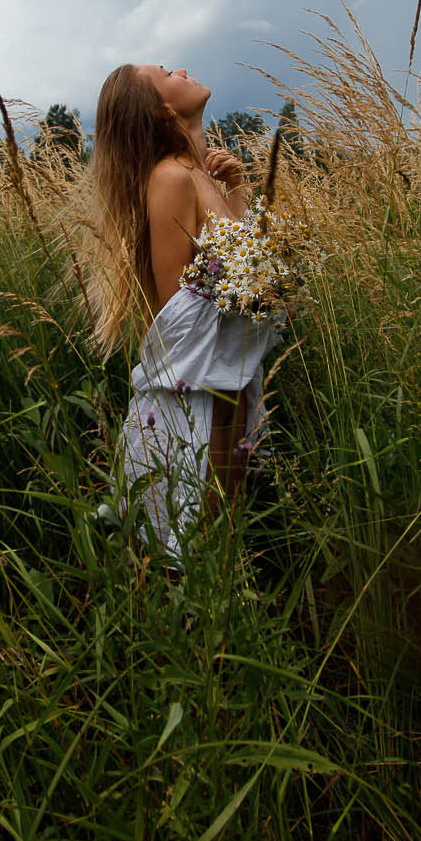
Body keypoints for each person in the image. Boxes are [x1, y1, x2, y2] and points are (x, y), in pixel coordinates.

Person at [91, 63, 281, 562]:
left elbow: (239, 259)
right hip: (196, 392)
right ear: (160, 109)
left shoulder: (202, 174)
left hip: (231, 378)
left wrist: (237, 190)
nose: (180, 68)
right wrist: (252, 290)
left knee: (224, 535)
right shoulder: (170, 178)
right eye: (164, 72)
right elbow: (174, 304)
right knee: (191, 547)